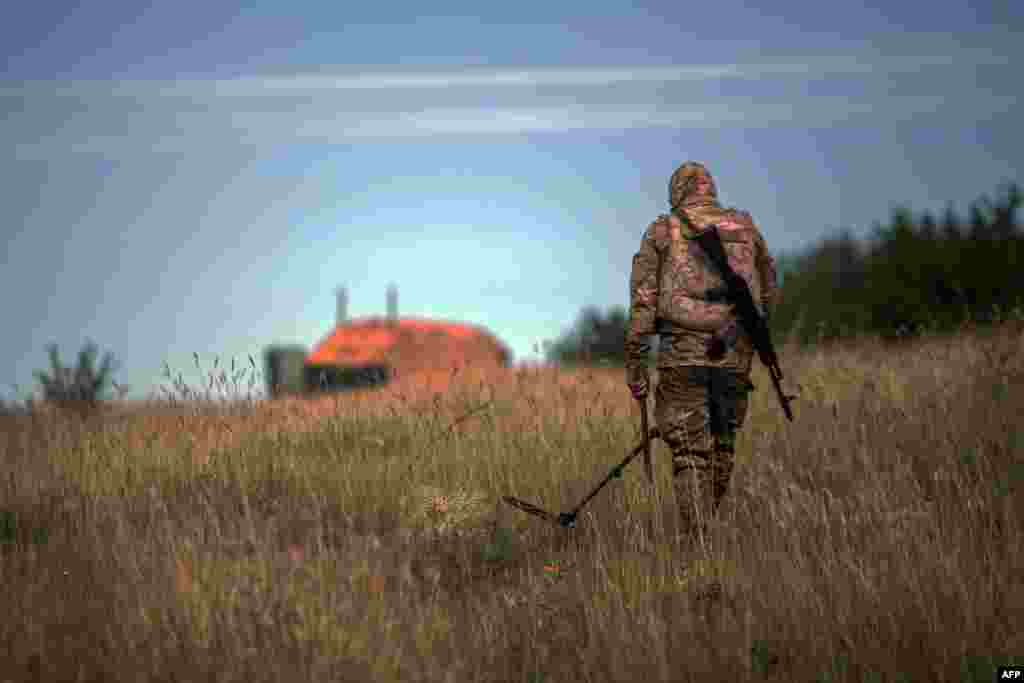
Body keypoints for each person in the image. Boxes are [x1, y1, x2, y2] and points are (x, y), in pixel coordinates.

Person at [625, 161, 779, 545]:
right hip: (734, 355)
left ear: (677, 192)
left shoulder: (662, 230)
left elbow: (643, 303)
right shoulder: (746, 228)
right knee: (723, 444)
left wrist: (636, 364)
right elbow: (768, 292)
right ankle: (707, 530)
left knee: (692, 453)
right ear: (710, 189)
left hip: (683, 356)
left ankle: (699, 542)